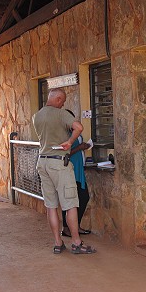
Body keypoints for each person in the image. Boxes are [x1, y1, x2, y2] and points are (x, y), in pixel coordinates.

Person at [32, 88, 96, 255]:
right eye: (63, 101)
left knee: (51, 206)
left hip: (43, 162)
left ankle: (58, 243)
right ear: (58, 99)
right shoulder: (60, 114)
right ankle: (76, 242)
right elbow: (78, 127)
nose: (63, 104)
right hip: (59, 163)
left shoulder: (37, 116)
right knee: (71, 204)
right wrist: (70, 142)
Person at [61, 110, 91, 238]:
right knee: (71, 198)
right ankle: (67, 228)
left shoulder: (74, 131)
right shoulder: (63, 134)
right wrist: (79, 148)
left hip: (78, 168)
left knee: (82, 197)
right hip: (70, 168)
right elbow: (64, 153)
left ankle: (75, 226)